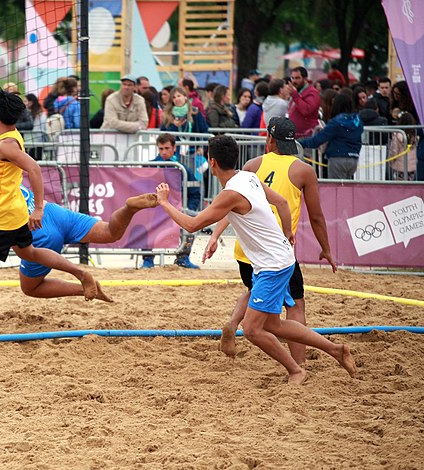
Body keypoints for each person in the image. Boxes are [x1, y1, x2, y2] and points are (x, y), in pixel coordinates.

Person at [156, 134, 355, 385]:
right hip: (273, 260)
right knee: (273, 325)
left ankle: (296, 370)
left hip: (273, 264)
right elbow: (282, 203)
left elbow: (192, 224)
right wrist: (287, 233)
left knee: (251, 329)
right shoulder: (247, 177)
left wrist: (164, 202)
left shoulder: (231, 193)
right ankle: (336, 350)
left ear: (212, 162)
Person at [0, 135, 160, 300]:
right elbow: (2, 172)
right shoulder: (5, 167)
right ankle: (129, 208)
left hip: (37, 229)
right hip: (52, 212)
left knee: (30, 288)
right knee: (111, 232)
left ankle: (82, 284)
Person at [0, 90, 98, 336]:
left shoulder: (4, 145)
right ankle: (80, 272)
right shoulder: (10, 136)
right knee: (29, 252)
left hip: (1, 218)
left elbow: (34, 167)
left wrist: (40, 207)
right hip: (15, 213)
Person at [204, 117, 337, 363]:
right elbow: (316, 217)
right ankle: (299, 364)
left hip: (245, 250)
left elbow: (231, 204)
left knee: (255, 291)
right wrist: (326, 249)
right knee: (295, 304)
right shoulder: (304, 170)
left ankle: (233, 322)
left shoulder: (252, 165)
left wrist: (215, 234)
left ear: (269, 140)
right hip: (275, 250)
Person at [142, 133, 200, 269]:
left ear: (174, 148)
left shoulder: (184, 169)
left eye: (167, 148)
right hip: (154, 212)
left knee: (191, 220)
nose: (163, 152)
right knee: (143, 221)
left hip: (176, 211)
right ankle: (147, 259)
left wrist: (186, 210)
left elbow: (195, 194)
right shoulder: (149, 167)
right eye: (161, 148)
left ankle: (183, 257)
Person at [300, 92, 363, 180]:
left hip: (337, 158)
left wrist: (300, 143)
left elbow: (318, 139)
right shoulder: (358, 121)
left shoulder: (336, 122)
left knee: (336, 190)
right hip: (353, 159)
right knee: (347, 190)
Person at [287, 67, 321, 140]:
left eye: (297, 78)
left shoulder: (312, 92)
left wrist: (295, 95)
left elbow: (306, 110)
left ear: (305, 78)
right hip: (295, 136)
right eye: (292, 78)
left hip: (307, 137)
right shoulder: (297, 92)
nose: (294, 81)